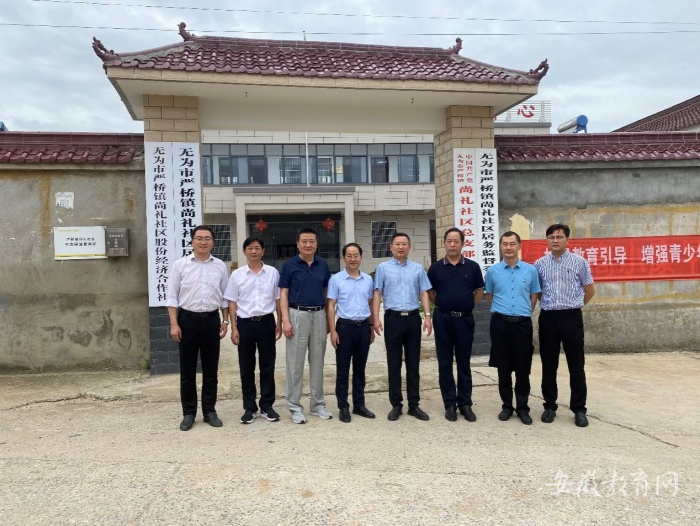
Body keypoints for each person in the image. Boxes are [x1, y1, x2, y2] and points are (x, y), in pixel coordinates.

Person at [166, 225, 229, 431]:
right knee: (188, 370)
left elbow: (225, 297)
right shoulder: (180, 265)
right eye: (199, 238)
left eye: (207, 238)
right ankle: (189, 413)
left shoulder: (220, 266)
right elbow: (172, 297)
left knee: (211, 369)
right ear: (192, 241)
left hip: (211, 320)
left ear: (213, 242)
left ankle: (209, 411)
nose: (203, 242)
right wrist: (174, 324)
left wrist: (225, 321)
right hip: (187, 320)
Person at [534, 224, 595, 428]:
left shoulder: (580, 263)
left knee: (576, 364)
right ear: (547, 240)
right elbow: (538, 292)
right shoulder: (539, 264)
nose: (555, 240)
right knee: (548, 364)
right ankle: (549, 406)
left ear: (567, 240)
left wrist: (574, 306)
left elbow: (589, 290)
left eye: (559, 237)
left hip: (571, 317)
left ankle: (579, 409)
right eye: (551, 237)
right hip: (549, 318)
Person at [372, 232, 432, 421]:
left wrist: (427, 316)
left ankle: (414, 405)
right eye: (397, 244)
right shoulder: (383, 268)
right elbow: (377, 293)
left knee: (413, 364)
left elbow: (424, 293)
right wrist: (376, 318)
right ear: (391, 247)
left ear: (409, 247)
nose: (400, 247)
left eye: (404, 244)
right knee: (394, 363)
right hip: (393, 319)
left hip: (413, 318)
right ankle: (396, 405)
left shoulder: (417, 269)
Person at [427, 227, 484, 422]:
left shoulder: (472, 267)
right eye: (449, 241)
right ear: (444, 243)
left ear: (463, 244)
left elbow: (479, 291)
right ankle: (449, 404)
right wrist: (445, 305)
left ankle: (465, 403)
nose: (452, 245)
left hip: (465, 320)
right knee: (445, 362)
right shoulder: (435, 268)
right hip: (443, 319)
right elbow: (431, 293)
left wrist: (466, 305)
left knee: (463, 362)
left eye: (456, 241)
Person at [224, 236, 282, 425]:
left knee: (268, 366)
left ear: (263, 251)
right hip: (245, 324)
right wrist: (234, 328)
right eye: (250, 248)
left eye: (257, 248)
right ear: (244, 251)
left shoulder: (272, 273)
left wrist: (280, 322)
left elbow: (278, 299)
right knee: (246, 367)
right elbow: (232, 302)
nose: (254, 251)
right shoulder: (237, 275)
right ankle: (249, 408)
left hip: (266, 322)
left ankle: (267, 406)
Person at [484, 231, 541, 425]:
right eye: (505, 244)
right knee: (503, 367)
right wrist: (501, 312)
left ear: (519, 246)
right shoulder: (493, 271)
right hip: (499, 324)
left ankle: (523, 408)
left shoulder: (530, 270)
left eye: (512, 244)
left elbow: (534, 296)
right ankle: (507, 406)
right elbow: (490, 296)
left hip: (522, 325)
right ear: (500, 247)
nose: (508, 247)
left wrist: (523, 313)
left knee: (523, 368)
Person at [279, 228, 332, 424]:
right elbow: (283, 294)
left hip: (319, 314)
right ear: (298, 244)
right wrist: (286, 321)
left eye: (311, 241)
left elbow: (326, 292)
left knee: (318, 362)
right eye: (304, 241)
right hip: (297, 314)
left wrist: (328, 319)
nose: (308, 245)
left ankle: (317, 404)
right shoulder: (289, 265)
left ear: (316, 244)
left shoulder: (322, 265)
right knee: (295, 364)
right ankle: (294, 406)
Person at [327, 243, 376, 423]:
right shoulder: (336, 280)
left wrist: (371, 326)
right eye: (349, 255)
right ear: (344, 258)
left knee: (360, 369)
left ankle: (359, 404)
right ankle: (343, 406)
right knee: (343, 369)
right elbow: (331, 306)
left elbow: (370, 303)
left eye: (356, 255)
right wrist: (333, 331)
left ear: (361, 257)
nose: (353, 259)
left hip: (363, 327)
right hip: (344, 328)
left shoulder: (368, 280)